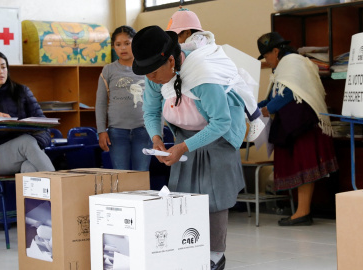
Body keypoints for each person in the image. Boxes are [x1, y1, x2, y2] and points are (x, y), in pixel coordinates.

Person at [131, 25, 246, 270]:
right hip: (185, 134)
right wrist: (156, 139)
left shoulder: (203, 75)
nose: (150, 80)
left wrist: (184, 147)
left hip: (218, 134)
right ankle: (188, 247)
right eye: (147, 75)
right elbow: (150, 111)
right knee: (183, 192)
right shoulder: (155, 75)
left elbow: (222, 122)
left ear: (171, 61)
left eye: (153, 74)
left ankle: (216, 254)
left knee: (214, 194)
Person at [256, 32, 339, 226]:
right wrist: (253, 107)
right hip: (294, 126)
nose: (267, 61)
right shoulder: (284, 67)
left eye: (267, 56)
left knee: (304, 166)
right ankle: (302, 211)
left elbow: (288, 94)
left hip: (304, 126)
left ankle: (303, 212)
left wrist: (267, 109)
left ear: (276, 51)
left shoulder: (292, 62)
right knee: (299, 167)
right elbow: (273, 95)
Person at [166, 7, 263, 142]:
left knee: (243, 94)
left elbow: (191, 47)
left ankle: (256, 120)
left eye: (176, 36)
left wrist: (173, 48)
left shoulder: (199, 39)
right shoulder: (192, 44)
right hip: (219, 74)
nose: (176, 42)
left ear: (188, 32)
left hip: (225, 72)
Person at [95, 25, 152, 171]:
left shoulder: (146, 68)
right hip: (117, 133)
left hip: (144, 130)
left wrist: (158, 131)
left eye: (127, 43)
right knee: (121, 175)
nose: (123, 48)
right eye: (118, 44)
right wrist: (101, 131)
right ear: (114, 47)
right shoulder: (108, 70)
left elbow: (157, 99)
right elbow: (100, 103)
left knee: (141, 174)